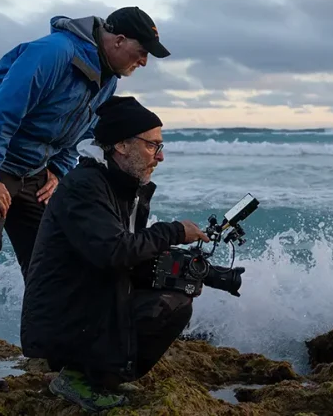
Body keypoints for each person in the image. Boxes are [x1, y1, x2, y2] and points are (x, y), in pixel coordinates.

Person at [0, 6, 171, 392]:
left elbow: (82, 130)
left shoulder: (106, 79)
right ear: (118, 40)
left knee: (52, 256)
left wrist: (58, 170)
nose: (144, 61)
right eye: (142, 51)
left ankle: (65, 358)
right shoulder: (53, 53)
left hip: (33, 166)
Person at [20, 96, 210, 412]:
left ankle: (103, 374)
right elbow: (114, 252)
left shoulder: (120, 184)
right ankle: (79, 376)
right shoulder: (85, 185)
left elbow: (128, 252)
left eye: (160, 146)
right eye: (152, 145)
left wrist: (184, 267)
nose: (160, 156)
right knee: (170, 304)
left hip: (89, 299)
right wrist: (173, 231)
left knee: (177, 288)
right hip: (65, 313)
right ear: (121, 145)